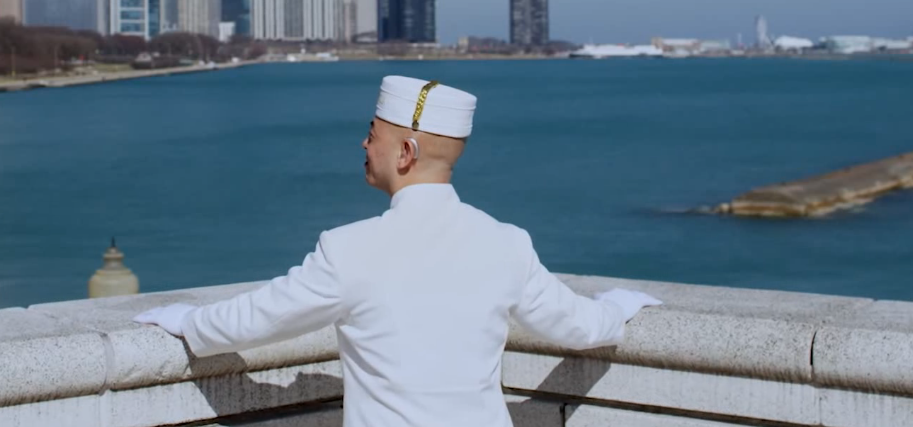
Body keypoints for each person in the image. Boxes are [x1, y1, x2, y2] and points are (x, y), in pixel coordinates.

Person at [133, 76, 662, 427]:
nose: (364, 145)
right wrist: (621, 305)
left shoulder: (349, 249)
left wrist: (187, 321)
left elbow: (249, 323)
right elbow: (584, 329)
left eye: (373, 135)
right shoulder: (507, 243)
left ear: (405, 152)